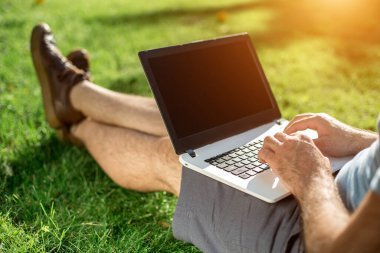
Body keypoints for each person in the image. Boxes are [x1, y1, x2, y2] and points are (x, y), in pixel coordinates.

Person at [31, 23, 380, 253]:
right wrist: (359, 141)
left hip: (312, 230)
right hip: (339, 183)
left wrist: (312, 177)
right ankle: (73, 95)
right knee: (206, 127)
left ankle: (77, 122)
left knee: (174, 157)